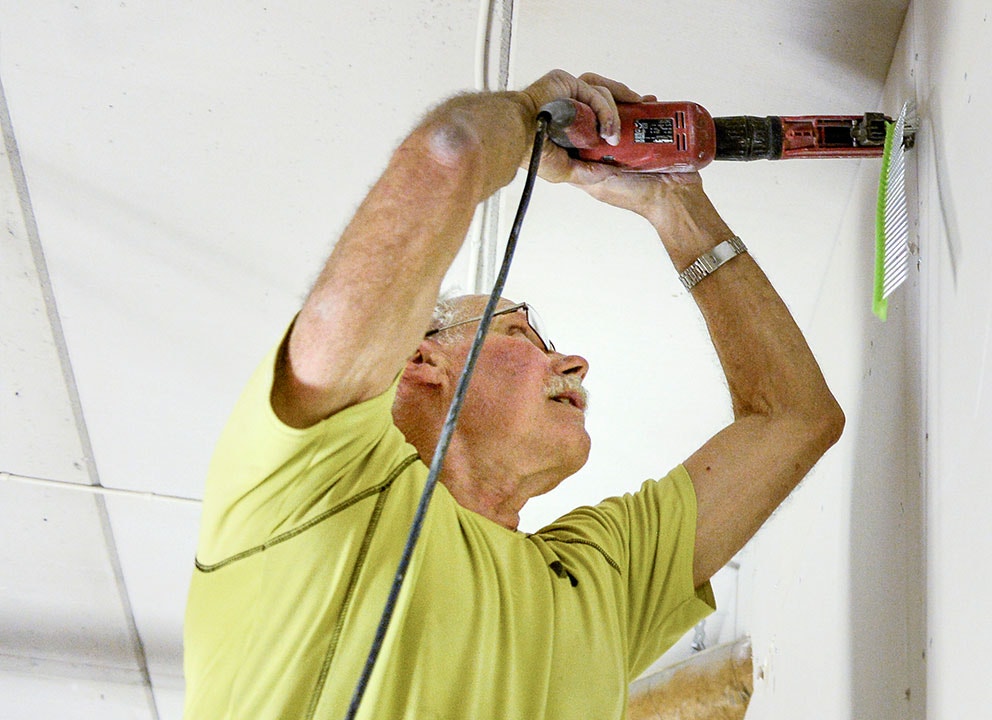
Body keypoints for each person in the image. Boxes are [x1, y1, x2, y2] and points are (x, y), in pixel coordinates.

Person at [183, 69, 844, 719]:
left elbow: (795, 418)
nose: (575, 362)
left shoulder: (600, 578)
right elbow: (449, 153)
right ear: (420, 360)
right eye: (521, 332)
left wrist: (674, 204)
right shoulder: (318, 482)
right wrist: (530, 114)